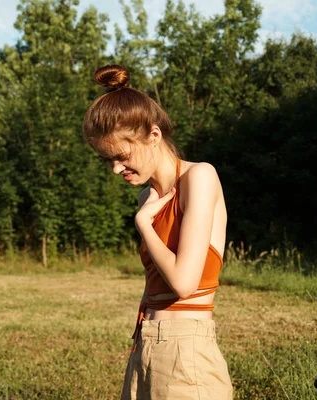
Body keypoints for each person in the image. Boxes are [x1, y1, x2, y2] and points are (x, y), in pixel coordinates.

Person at [83, 64, 233, 400]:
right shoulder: (146, 197)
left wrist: (143, 225)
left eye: (121, 156)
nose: (116, 169)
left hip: (186, 347)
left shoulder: (199, 178)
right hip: (145, 342)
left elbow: (183, 282)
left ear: (154, 135)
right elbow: (155, 284)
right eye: (107, 160)